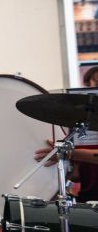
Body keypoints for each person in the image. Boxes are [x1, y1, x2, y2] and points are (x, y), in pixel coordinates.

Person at [34, 66, 98, 202]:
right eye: (90, 85)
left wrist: (67, 153)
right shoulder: (82, 127)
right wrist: (61, 165)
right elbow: (77, 176)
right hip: (89, 198)